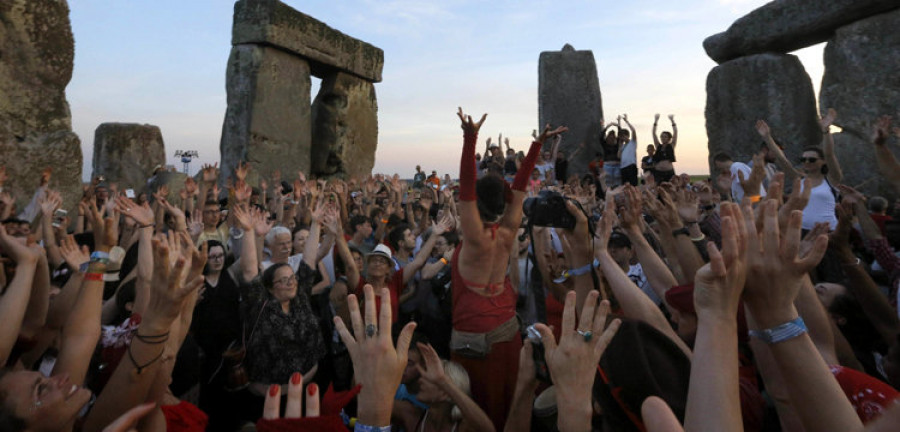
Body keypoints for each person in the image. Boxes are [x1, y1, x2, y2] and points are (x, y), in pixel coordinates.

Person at [453, 107, 566, 430]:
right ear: (503, 204)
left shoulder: (475, 237)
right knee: (513, 404)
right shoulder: (509, 229)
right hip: (507, 330)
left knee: (476, 411)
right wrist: (535, 147)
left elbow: (465, 184)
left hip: (472, 335)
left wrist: (470, 137)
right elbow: (518, 188)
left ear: (477, 202)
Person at [756, 111, 843, 230]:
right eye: (803, 159)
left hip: (828, 232)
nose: (807, 162)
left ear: (822, 161)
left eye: (812, 159)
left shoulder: (832, 180)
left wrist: (826, 131)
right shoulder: (800, 180)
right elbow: (782, 159)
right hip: (800, 231)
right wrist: (767, 137)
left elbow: (829, 154)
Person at [412, 342, 495, 432]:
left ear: (445, 391)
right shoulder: (412, 417)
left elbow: (488, 430)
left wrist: (443, 381)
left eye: (430, 379)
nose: (420, 380)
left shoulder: (463, 427)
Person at [651, 114, 678, 183]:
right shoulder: (658, 146)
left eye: (665, 137)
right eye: (662, 136)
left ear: (669, 138)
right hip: (658, 172)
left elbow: (675, 132)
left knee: (671, 190)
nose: (663, 138)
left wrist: (672, 121)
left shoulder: (671, 145)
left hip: (669, 172)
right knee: (659, 191)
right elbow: (653, 133)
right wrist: (656, 121)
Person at [618, 114, 639, 186]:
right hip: (623, 168)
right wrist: (620, 147)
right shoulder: (623, 146)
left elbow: (633, 130)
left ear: (627, 135)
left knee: (633, 186)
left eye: (623, 136)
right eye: (621, 136)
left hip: (631, 167)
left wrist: (626, 121)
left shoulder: (633, 142)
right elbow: (619, 156)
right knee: (625, 187)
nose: (622, 138)